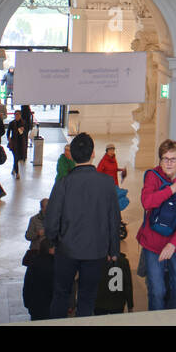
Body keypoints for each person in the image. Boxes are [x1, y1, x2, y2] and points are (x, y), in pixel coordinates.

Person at [44, 133, 121, 319]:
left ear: (72, 155)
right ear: (93, 153)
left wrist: (54, 241)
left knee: (61, 295)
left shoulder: (64, 183)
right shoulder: (107, 183)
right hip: (96, 251)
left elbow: (52, 220)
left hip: (67, 250)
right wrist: (113, 250)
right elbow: (114, 219)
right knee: (87, 297)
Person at [137, 138, 176, 310]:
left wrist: (173, 244)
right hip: (153, 242)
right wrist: (172, 189)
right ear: (160, 160)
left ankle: (170, 318)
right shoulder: (152, 176)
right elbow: (147, 202)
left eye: (173, 159)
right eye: (165, 158)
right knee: (157, 291)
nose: (169, 163)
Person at [94, 224, 134, 314]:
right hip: (118, 304)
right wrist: (130, 305)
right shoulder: (124, 261)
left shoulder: (95, 260)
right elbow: (128, 285)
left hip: (99, 303)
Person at [22, 237, 55, 321]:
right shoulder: (54, 265)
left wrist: (27, 303)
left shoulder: (33, 262)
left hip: (34, 306)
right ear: (51, 250)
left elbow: (27, 285)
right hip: (49, 307)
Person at [7, 111, 28, 180]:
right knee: (15, 157)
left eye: (18, 115)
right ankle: (17, 173)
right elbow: (8, 131)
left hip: (21, 143)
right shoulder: (12, 123)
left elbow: (25, 132)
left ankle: (14, 168)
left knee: (18, 157)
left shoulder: (23, 123)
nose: (17, 116)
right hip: (14, 142)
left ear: (20, 115)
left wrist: (23, 130)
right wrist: (8, 138)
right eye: (16, 115)